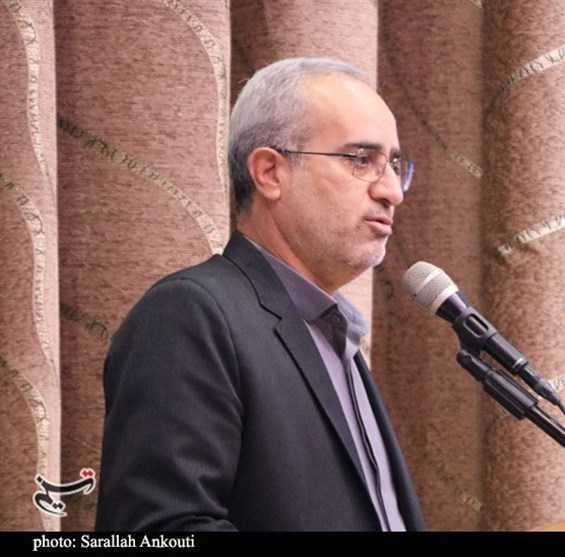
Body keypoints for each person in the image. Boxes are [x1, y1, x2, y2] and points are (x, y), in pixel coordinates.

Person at [94, 57, 426, 531]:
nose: (392, 191)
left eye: (394, 165)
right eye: (361, 160)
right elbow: (162, 530)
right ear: (270, 172)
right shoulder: (191, 316)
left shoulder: (335, 336)